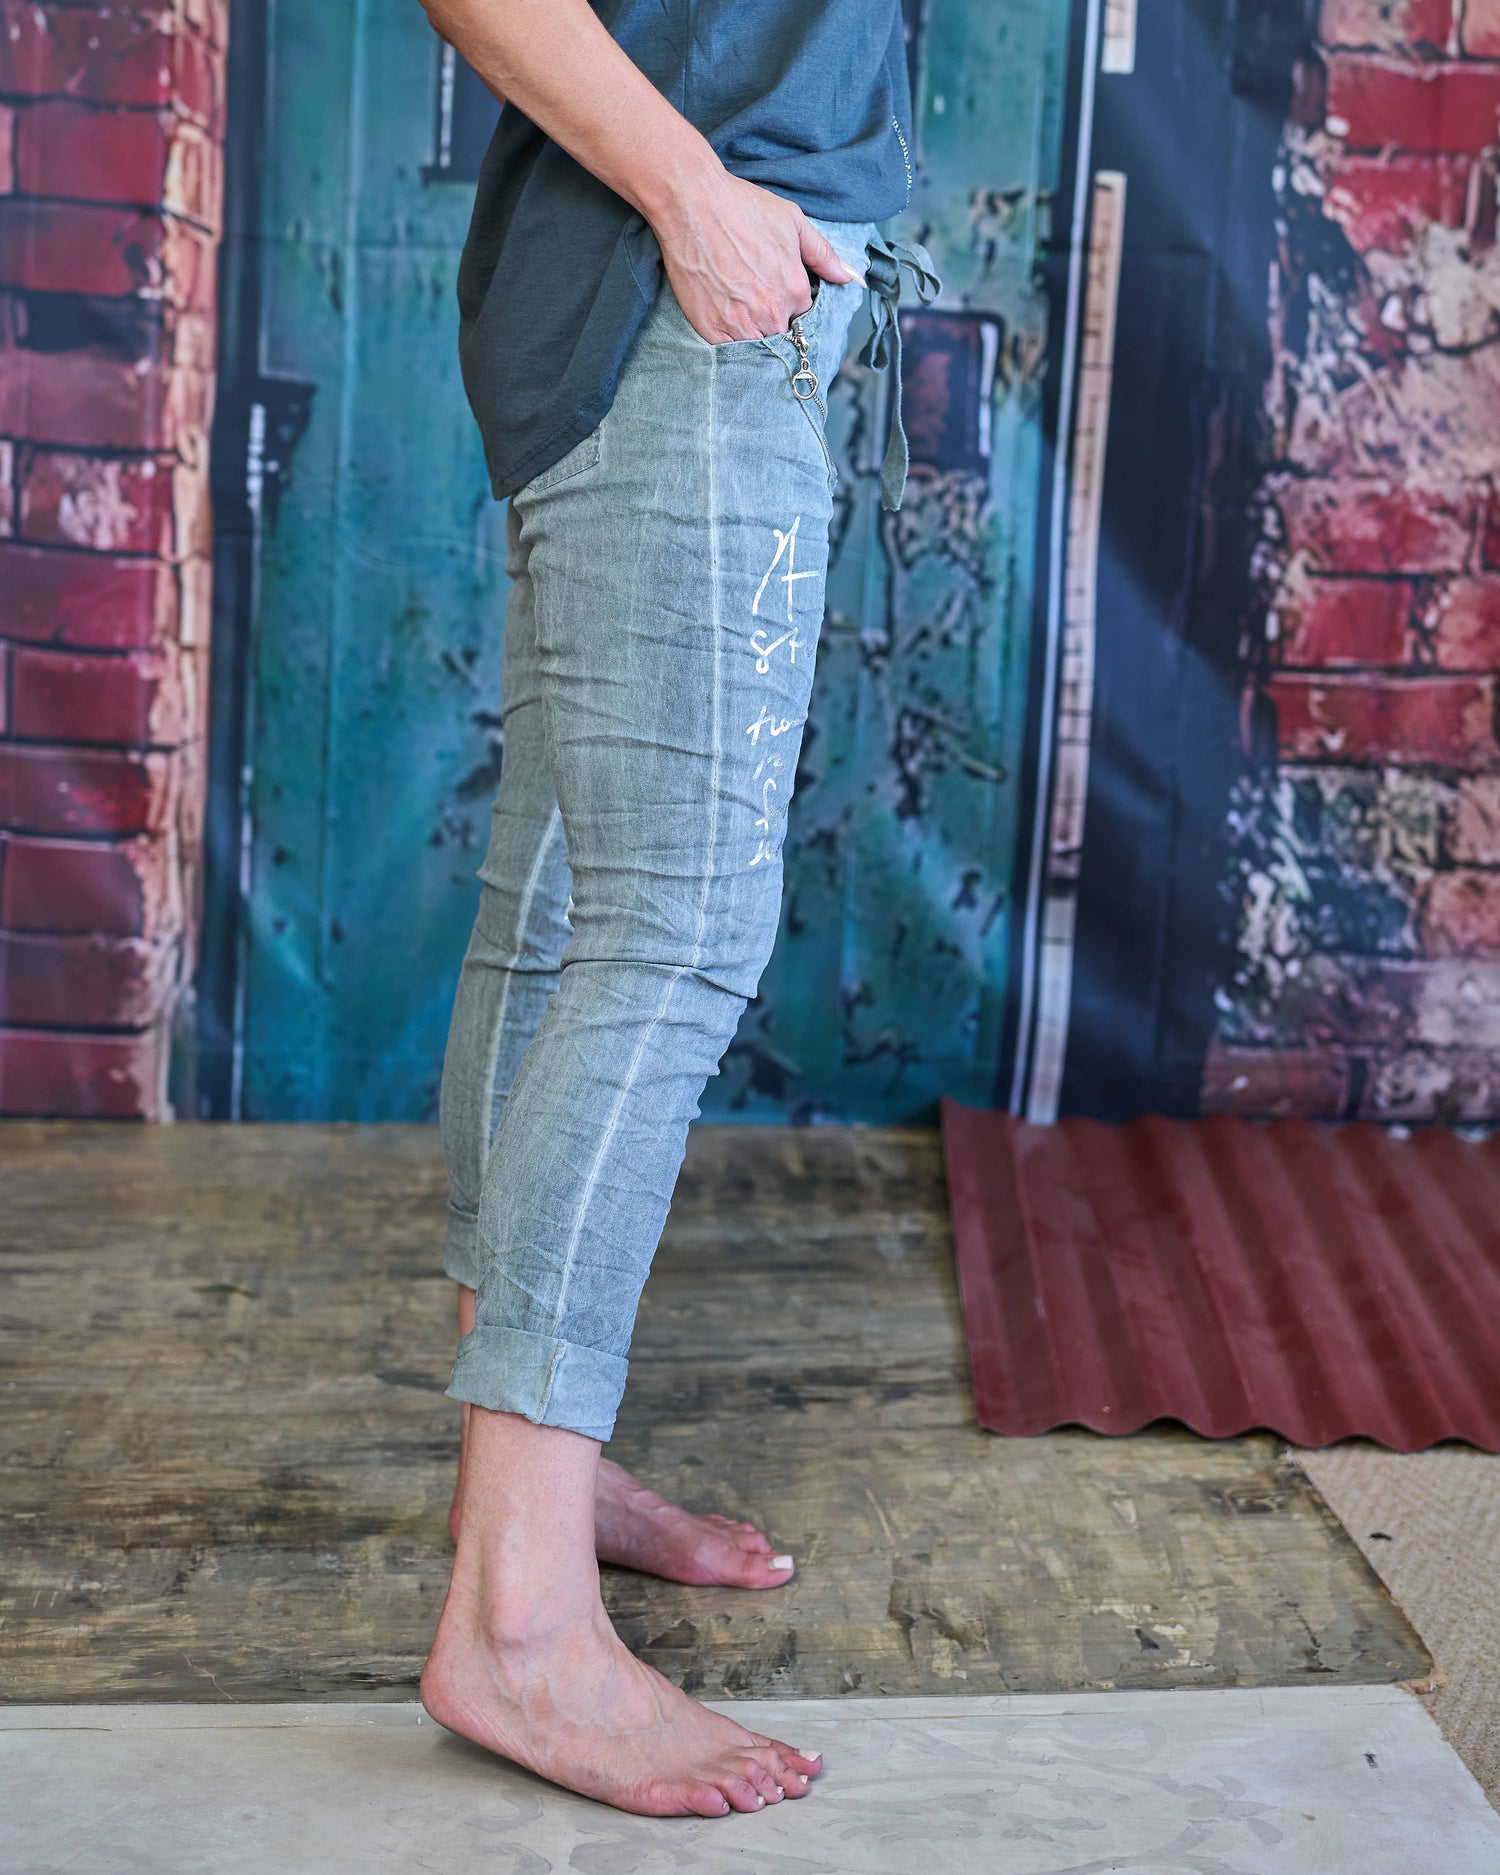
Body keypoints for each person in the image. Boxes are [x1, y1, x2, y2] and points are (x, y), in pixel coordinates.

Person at [416, 0, 937, 1819]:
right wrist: (697, 198)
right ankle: (519, 1625)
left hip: (640, 282)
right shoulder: (696, 221)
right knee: (669, 932)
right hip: (672, 280)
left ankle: (529, 1482)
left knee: (560, 903)